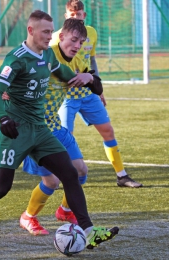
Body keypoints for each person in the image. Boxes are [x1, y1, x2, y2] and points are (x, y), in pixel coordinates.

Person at [0, 10, 119, 250]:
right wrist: (3, 118)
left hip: (42, 130)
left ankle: (89, 231)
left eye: (51, 31)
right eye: (46, 31)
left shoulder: (48, 57)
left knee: (71, 174)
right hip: (16, 130)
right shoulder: (16, 58)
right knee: (1, 187)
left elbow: (67, 75)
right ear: (31, 31)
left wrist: (91, 80)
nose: (50, 36)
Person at [2, 18, 103, 236]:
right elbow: (11, 78)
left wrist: (89, 76)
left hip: (56, 127)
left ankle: (66, 210)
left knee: (81, 171)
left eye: (81, 42)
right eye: (73, 40)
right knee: (52, 180)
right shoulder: (47, 54)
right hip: (35, 128)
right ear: (61, 36)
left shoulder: (76, 60)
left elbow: (96, 85)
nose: (77, 46)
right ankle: (28, 217)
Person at [50, 0, 143, 188]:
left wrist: (97, 86)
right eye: (72, 14)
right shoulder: (54, 40)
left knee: (108, 130)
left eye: (80, 14)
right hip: (66, 97)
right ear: (66, 17)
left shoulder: (91, 33)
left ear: (84, 15)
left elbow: (91, 60)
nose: (77, 17)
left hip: (87, 93)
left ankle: (121, 176)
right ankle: (61, 177)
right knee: (66, 137)